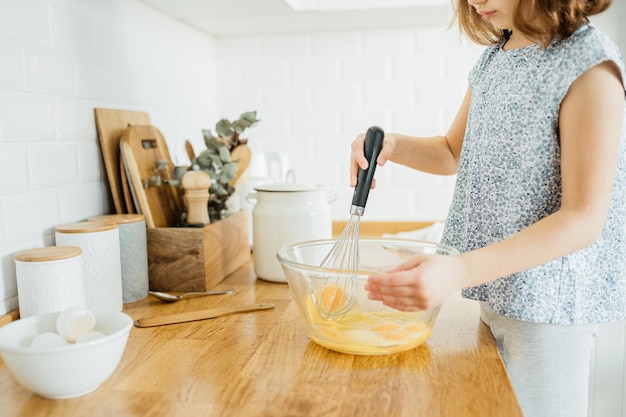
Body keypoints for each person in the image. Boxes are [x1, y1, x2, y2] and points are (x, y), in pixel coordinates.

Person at [350, 1, 626, 416]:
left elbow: (583, 219)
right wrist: (394, 145)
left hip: (548, 311)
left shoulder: (586, 63)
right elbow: (450, 152)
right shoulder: (495, 58)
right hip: (497, 293)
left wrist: (458, 269)